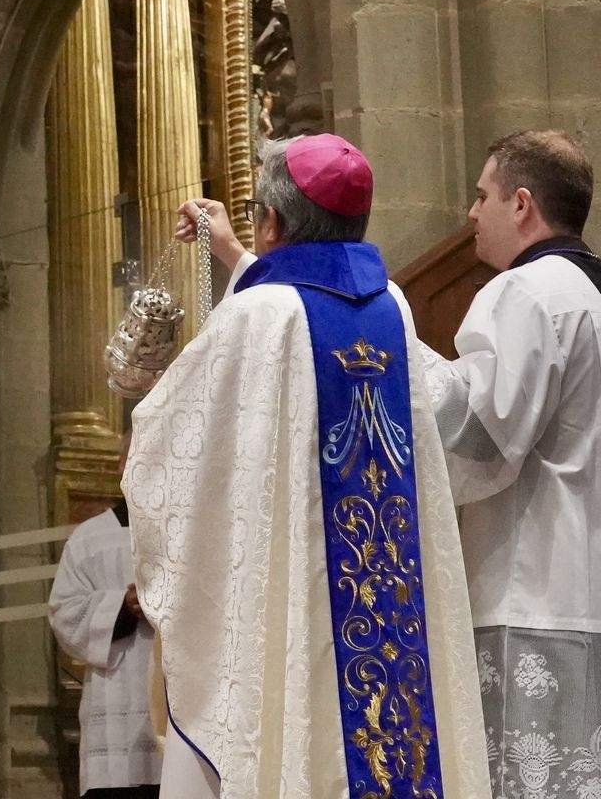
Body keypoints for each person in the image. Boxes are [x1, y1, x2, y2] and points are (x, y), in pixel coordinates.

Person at [125, 133, 490, 799]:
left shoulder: (256, 316)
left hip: (284, 602)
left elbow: (170, 443)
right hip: (389, 611)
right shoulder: (393, 311)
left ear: (272, 222)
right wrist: (234, 252)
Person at [412, 129, 601, 798]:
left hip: (538, 594)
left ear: (522, 205)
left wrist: (399, 355)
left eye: (482, 195)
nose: (470, 213)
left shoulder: (523, 294)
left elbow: (482, 438)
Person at [48, 440, 160, 799]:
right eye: (134, 455)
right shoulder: (89, 537)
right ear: (120, 465)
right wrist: (122, 606)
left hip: (178, 708)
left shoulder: (193, 533)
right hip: (116, 704)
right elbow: (65, 614)